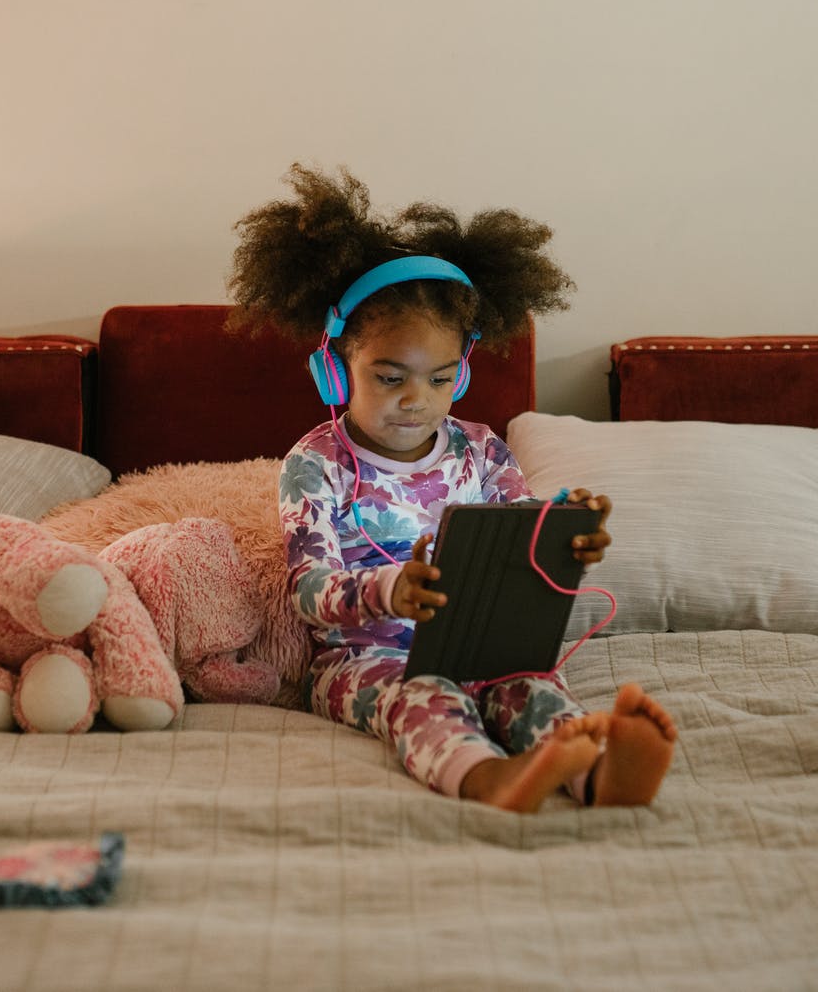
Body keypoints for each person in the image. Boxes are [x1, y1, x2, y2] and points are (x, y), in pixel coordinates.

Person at [228, 165, 677, 813]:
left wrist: (562, 531)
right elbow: (305, 590)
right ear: (335, 368)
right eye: (389, 377)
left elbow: (517, 527)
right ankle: (488, 778)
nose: (417, 400)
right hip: (360, 662)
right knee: (422, 699)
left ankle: (597, 775)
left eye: (440, 379)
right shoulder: (315, 462)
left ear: (461, 373)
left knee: (530, 684)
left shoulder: (482, 449)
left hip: (479, 646)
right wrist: (391, 588)